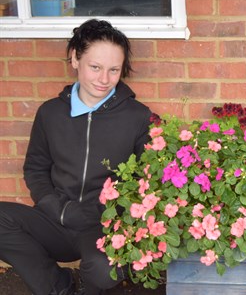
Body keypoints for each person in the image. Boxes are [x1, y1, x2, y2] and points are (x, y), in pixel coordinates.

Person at [0, 19, 152, 295]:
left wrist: (105, 214)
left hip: (102, 226)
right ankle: (59, 286)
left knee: (103, 271)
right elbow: (35, 168)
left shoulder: (139, 117)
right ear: (74, 58)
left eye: (113, 70)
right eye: (95, 67)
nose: (104, 79)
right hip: (56, 219)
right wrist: (57, 208)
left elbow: (148, 181)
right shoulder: (50, 113)